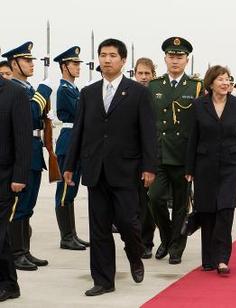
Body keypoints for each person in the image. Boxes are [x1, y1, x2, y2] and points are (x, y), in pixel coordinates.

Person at [63, 38, 157, 296]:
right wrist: (70, 164)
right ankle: (104, 280)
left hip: (126, 170)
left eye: (112, 55)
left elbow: (148, 133)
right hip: (95, 170)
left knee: (128, 222)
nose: (107, 59)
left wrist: (150, 167)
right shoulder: (89, 93)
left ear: (123, 60)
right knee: (99, 228)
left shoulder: (138, 92)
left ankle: (135, 253)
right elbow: (79, 131)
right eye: (103, 55)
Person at [185, 65, 236, 274]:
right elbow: (193, 139)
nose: (226, 83)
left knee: (225, 209)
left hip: (231, 166)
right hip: (204, 165)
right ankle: (208, 258)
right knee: (207, 210)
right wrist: (189, 168)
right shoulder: (199, 106)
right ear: (211, 83)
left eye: (228, 79)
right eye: (221, 79)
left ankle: (222, 258)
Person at [148, 37, 204, 265]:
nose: (175, 60)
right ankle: (167, 237)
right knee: (154, 198)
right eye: (171, 56)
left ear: (186, 60)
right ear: (165, 59)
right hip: (159, 154)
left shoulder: (196, 87)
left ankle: (176, 248)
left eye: (179, 57)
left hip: (183, 155)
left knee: (181, 204)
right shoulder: (154, 86)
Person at [2, 42, 52, 271]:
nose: (32, 64)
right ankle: (16, 252)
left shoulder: (27, 89)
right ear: (14, 64)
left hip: (33, 149)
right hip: (22, 151)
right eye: (27, 60)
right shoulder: (14, 89)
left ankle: (24, 250)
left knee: (28, 205)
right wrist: (44, 92)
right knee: (18, 206)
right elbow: (32, 115)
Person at [53, 46, 89, 251]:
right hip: (69, 141)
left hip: (76, 139)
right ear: (64, 66)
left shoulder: (73, 89)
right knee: (65, 189)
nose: (78, 67)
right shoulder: (64, 90)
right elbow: (80, 113)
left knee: (71, 190)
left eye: (78, 64)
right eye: (74, 64)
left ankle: (72, 234)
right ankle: (66, 237)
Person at [0, 76, 32, 302]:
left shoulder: (14, 92)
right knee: (2, 237)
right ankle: (10, 284)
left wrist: (20, 175)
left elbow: (23, 137)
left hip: (5, 177)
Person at [133, 56, 158, 259]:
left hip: (153, 156)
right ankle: (136, 241)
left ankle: (148, 241)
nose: (143, 77)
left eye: (147, 74)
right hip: (131, 157)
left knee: (150, 203)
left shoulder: (156, 95)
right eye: (140, 73)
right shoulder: (128, 94)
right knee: (134, 204)